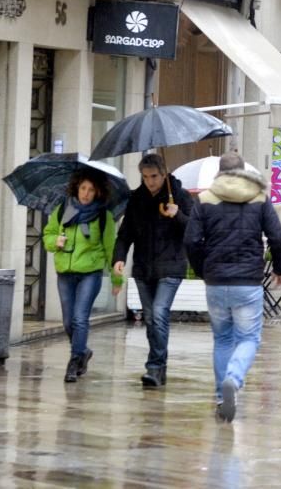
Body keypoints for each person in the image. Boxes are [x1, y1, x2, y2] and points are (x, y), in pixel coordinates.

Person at [183, 153, 281, 423]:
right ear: (243, 172)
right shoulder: (259, 198)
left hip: (216, 281)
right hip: (247, 282)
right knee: (249, 339)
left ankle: (221, 396)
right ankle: (234, 378)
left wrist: (203, 269)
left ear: (219, 173)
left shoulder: (204, 200)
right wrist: (279, 269)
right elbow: (276, 236)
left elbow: (192, 241)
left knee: (223, 339)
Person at [112, 154, 193, 387]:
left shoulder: (180, 196)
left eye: (154, 176)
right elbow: (125, 233)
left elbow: (195, 230)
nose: (150, 181)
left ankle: (154, 367)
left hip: (171, 265)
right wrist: (119, 258)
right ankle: (160, 366)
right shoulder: (136, 199)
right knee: (150, 318)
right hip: (143, 268)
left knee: (158, 313)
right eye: (145, 177)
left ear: (164, 172)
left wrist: (177, 214)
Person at [42, 171, 118, 383]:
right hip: (65, 272)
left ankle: (74, 361)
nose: (86, 194)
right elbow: (47, 235)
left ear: (98, 192)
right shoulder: (61, 211)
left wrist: (116, 279)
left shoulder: (104, 217)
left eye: (91, 190)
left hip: (90, 273)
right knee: (68, 322)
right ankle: (83, 351)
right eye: (83, 188)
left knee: (79, 318)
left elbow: (111, 249)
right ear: (76, 188)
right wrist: (54, 241)